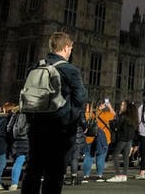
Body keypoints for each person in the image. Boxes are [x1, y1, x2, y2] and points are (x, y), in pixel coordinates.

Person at [22, 31, 87, 194]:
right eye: (71, 48)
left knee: (32, 171)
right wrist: (69, 119)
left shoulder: (36, 66)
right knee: (54, 175)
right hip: (59, 130)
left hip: (35, 128)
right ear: (66, 48)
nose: (71, 52)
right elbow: (80, 99)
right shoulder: (70, 69)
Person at [82, 100, 116, 182]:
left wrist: (88, 108)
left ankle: (86, 175)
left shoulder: (90, 114)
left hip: (90, 138)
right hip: (103, 138)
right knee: (101, 156)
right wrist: (109, 106)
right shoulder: (105, 114)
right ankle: (99, 175)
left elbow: (86, 119)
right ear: (101, 106)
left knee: (88, 156)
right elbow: (114, 115)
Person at [107, 100, 139, 182]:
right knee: (125, 157)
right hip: (129, 139)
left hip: (122, 138)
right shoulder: (133, 117)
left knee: (115, 155)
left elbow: (116, 127)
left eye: (122, 105)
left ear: (126, 107)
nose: (121, 106)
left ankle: (118, 175)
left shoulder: (123, 116)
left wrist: (111, 123)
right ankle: (124, 175)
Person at [6, 105, 29, 191]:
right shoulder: (32, 112)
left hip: (17, 140)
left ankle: (14, 184)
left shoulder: (15, 113)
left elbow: (9, 127)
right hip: (29, 138)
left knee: (18, 162)